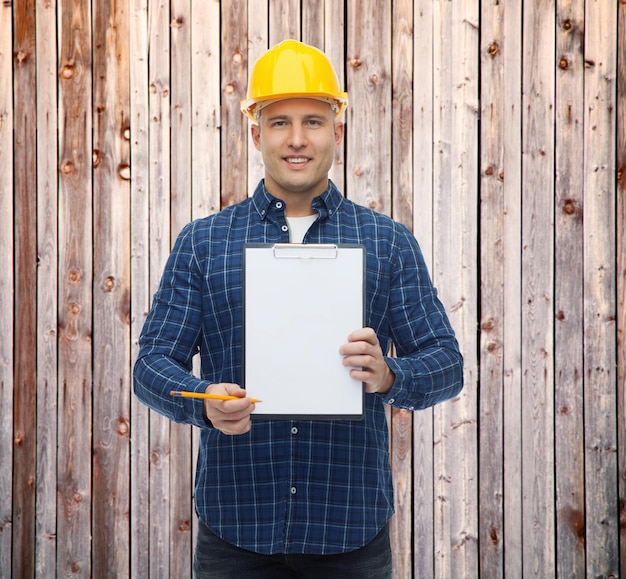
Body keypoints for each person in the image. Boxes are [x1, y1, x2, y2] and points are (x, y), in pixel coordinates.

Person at [133, 39, 463, 579]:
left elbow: (446, 363)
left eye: (313, 120)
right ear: (257, 132)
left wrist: (389, 374)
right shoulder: (204, 242)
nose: (296, 138)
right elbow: (150, 366)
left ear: (337, 129)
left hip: (351, 533)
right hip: (235, 531)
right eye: (279, 120)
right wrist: (203, 402)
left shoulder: (387, 242)